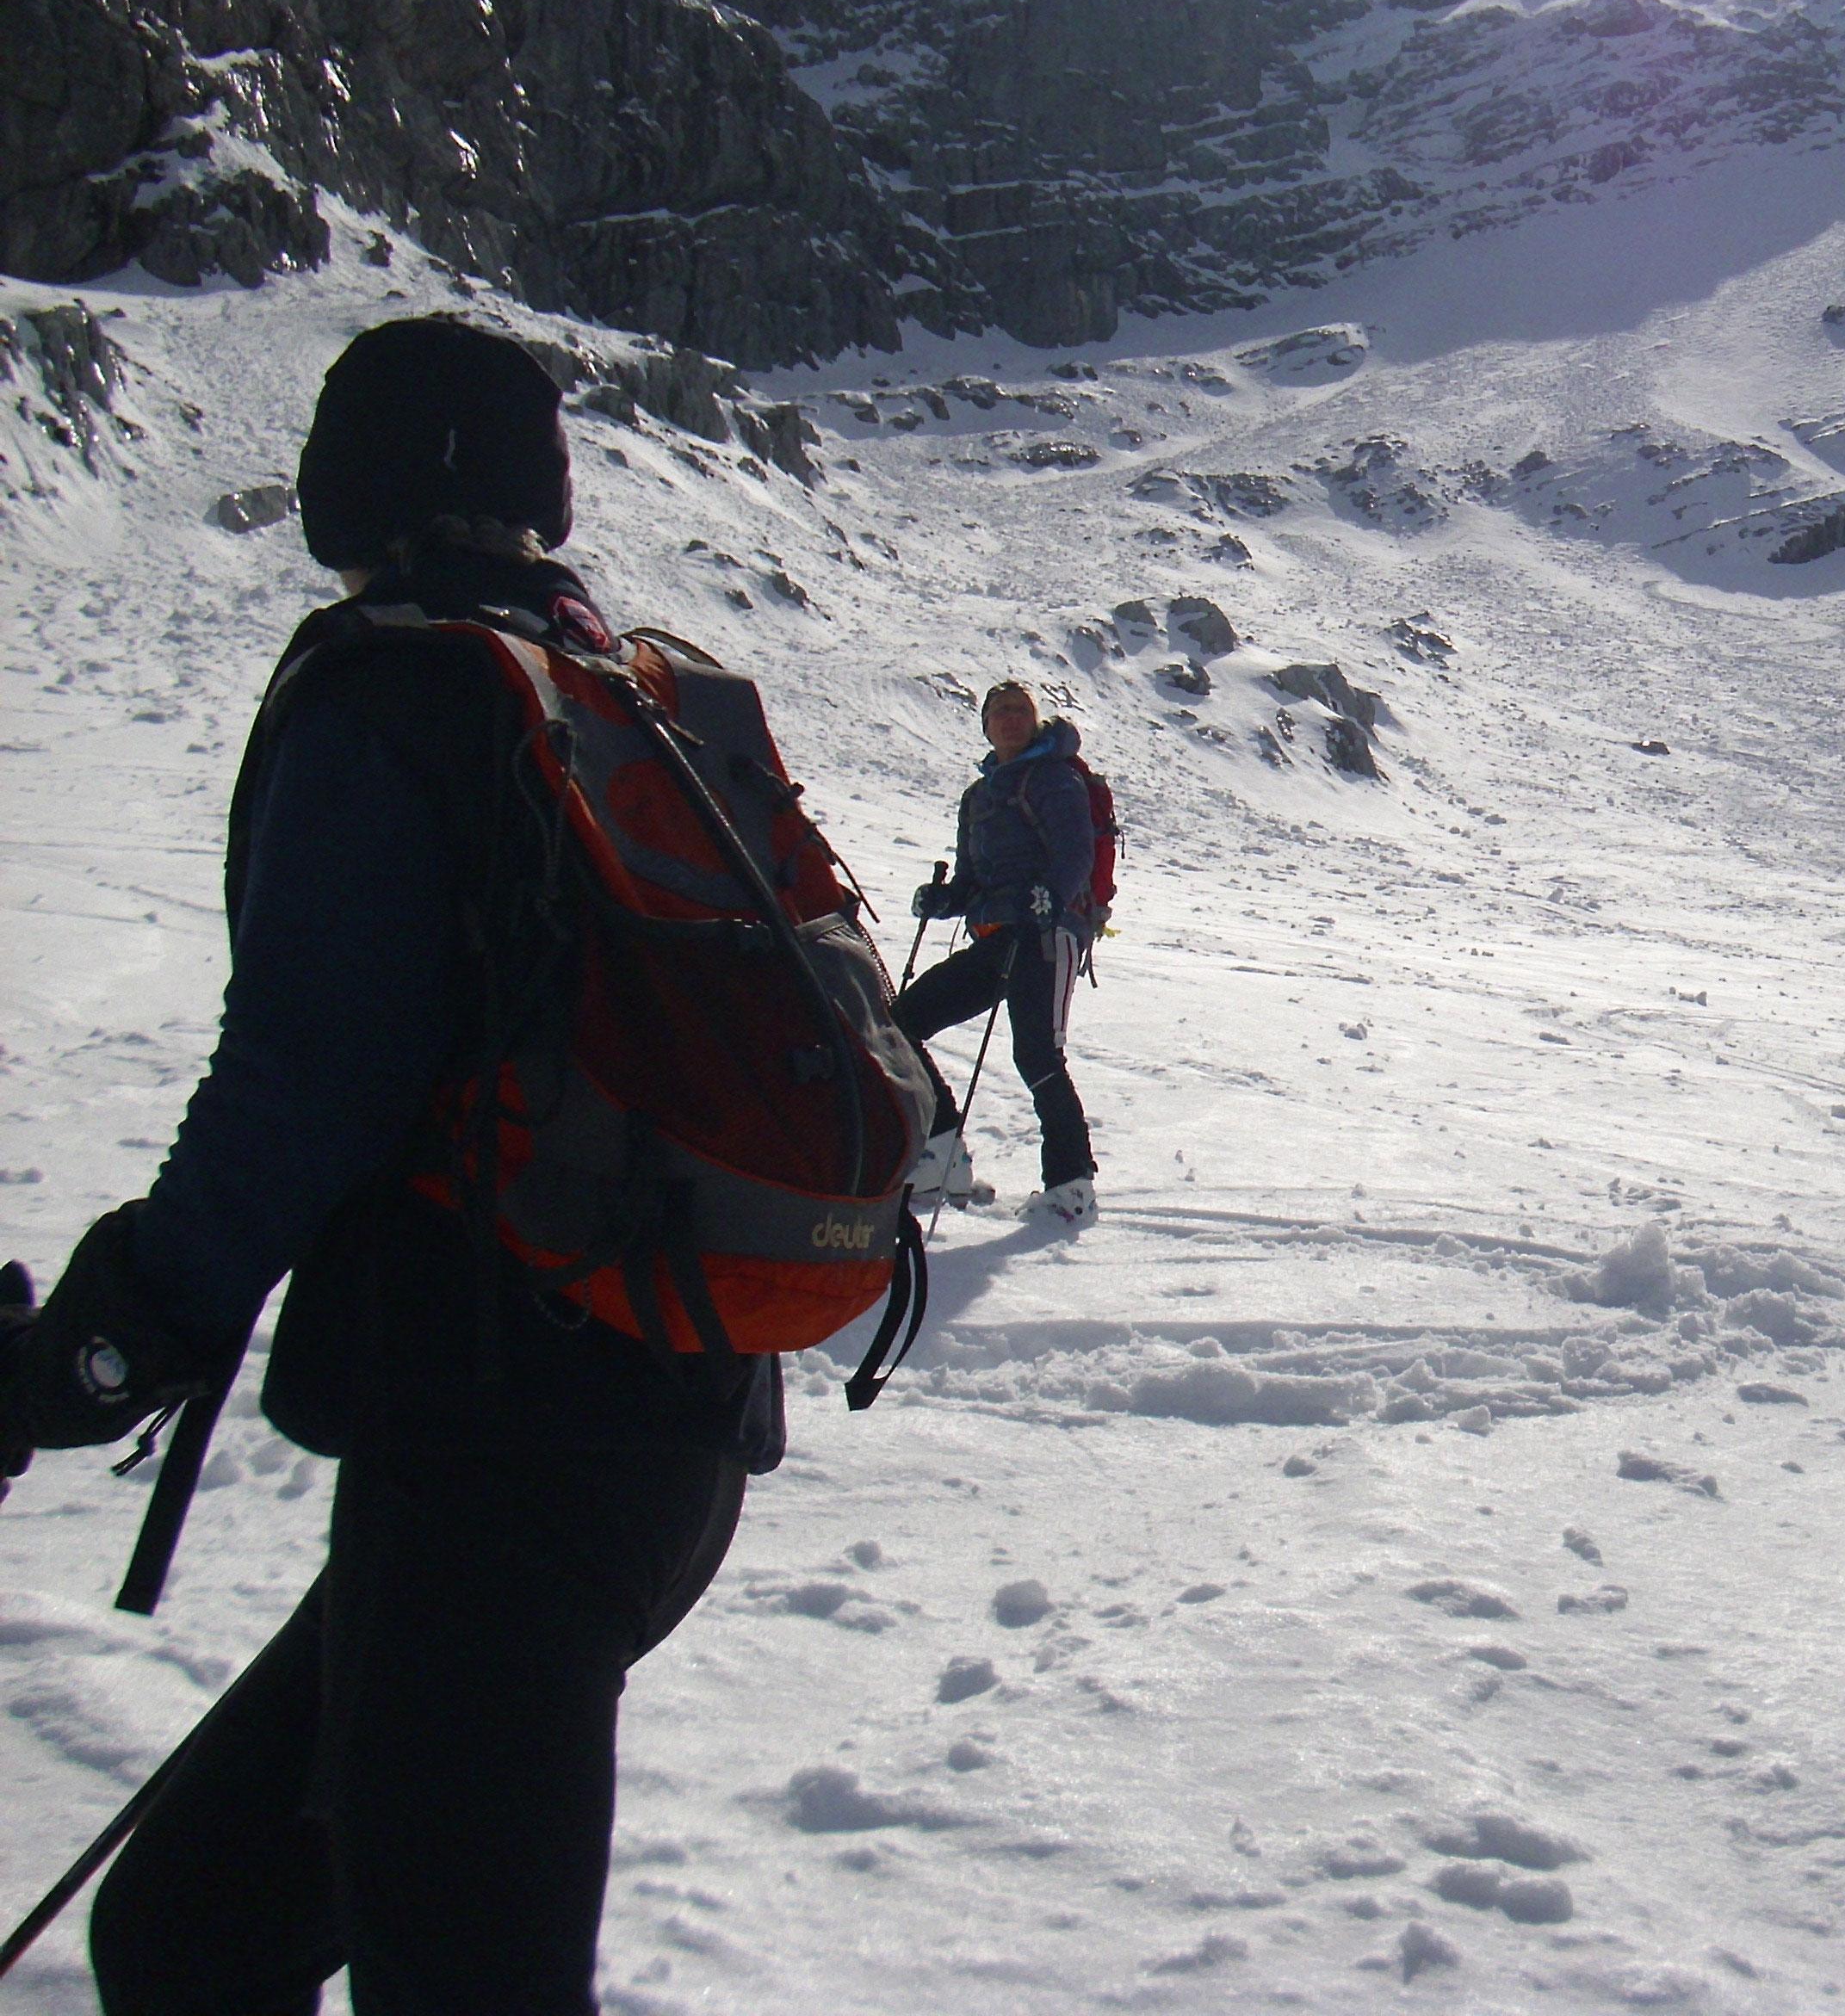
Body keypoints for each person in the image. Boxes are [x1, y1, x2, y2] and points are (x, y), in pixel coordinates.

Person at [0, 318, 777, 2013]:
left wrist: (100, 1348)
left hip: (501, 1459)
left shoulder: (402, 698)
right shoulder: (607, 687)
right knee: (194, 1925)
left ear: (353, 489)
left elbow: (298, 1087)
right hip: (664, 1427)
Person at [899, 680, 1101, 1233]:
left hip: (1047, 936)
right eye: (1000, 712)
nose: (1011, 719)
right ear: (986, 726)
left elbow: (1077, 852)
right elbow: (971, 879)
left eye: (1021, 711)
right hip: (996, 937)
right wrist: (945, 900)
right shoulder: (979, 796)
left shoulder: (1055, 778)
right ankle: (941, 1151)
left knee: (1038, 1056)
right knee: (902, 1023)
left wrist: (1050, 897)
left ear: (1034, 721)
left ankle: (1071, 1188)